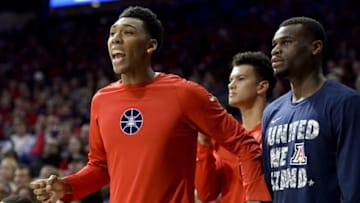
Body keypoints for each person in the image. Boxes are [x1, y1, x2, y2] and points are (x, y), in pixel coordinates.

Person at [30, 6, 269, 203]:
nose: (116, 39)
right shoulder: (101, 100)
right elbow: (101, 167)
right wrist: (68, 186)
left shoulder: (184, 93)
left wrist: (255, 197)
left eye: (128, 32)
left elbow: (244, 144)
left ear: (150, 45)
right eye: (113, 33)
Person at [262, 16, 360, 202]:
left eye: (286, 42)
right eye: (274, 44)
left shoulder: (346, 103)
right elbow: (270, 186)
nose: (275, 50)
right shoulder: (271, 112)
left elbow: (354, 187)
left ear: (316, 47)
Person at [195, 51, 276, 203]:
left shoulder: (275, 134)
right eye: (231, 80)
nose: (231, 85)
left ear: (262, 86)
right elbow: (206, 194)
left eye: (240, 79)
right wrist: (204, 144)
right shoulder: (225, 140)